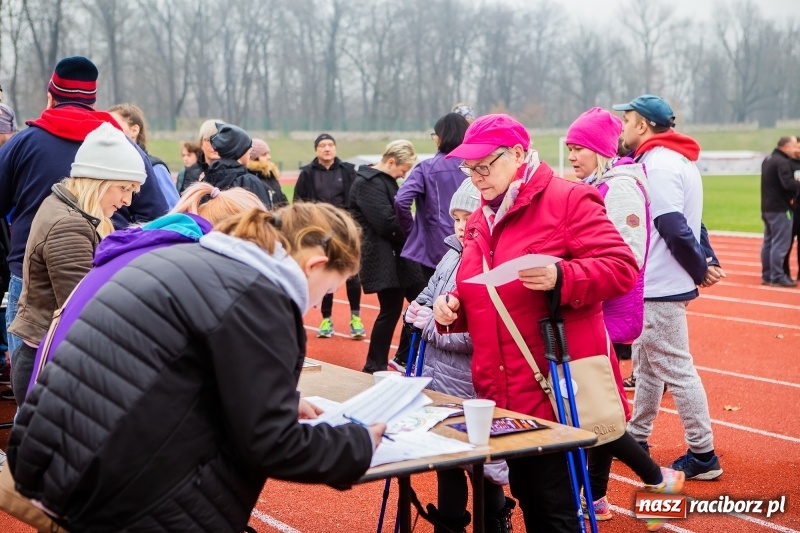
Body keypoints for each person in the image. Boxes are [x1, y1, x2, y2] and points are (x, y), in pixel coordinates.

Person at [7, 203, 384, 532]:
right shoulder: (260, 296)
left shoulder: (181, 257)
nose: (317, 305)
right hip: (118, 494)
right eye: (328, 289)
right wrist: (358, 443)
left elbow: (176, 370)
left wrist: (279, 401)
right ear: (316, 264)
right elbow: (272, 445)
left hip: (52, 460)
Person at [432, 114, 639, 532]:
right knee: (529, 495)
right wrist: (452, 310)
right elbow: (481, 293)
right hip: (500, 389)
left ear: (519, 155)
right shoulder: (479, 218)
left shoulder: (568, 199)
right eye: (469, 169)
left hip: (554, 386)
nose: (476, 178)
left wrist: (564, 276)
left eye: (484, 166)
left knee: (552, 508)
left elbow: (622, 268)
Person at [0, 56, 167, 366]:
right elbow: (157, 217)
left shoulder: (22, 143)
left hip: (30, 279)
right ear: (93, 101)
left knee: (34, 385)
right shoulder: (125, 147)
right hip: (104, 276)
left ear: (51, 97)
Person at [565, 108, 685, 528]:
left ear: (599, 148)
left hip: (609, 308)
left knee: (599, 409)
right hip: (595, 306)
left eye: (578, 147)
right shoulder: (597, 184)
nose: (571, 156)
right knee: (599, 407)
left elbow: (628, 256)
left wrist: (575, 269)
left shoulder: (620, 188)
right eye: (568, 148)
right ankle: (598, 496)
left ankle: (652, 478)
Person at [26, 182, 268, 386]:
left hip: (58, 389)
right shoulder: (187, 260)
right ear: (237, 236)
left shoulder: (150, 243)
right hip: (88, 395)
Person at [612, 94, 724, 480]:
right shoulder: (676, 160)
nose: (622, 128)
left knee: (676, 369)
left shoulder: (658, 164)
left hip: (660, 283)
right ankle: (637, 437)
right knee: (647, 366)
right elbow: (695, 222)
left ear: (642, 125)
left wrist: (698, 268)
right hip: (659, 282)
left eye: (626, 121)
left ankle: (703, 453)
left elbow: (674, 225)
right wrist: (705, 260)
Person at [7, 122, 147, 406]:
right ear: (99, 180)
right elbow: (85, 313)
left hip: (42, 357)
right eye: (124, 187)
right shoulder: (69, 226)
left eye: (133, 190)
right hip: (47, 365)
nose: (127, 200)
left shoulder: (65, 206)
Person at [404, 178, 516, 533]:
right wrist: (418, 312)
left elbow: (484, 331)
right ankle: (448, 526)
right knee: (446, 464)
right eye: (455, 218)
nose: (461, 225)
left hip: (475, 383)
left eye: (469, 216)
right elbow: (425, 297)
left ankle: (496, 524)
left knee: (485, 468)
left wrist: (430, 326)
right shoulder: (452, 252)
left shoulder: (491, 261)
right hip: (439, 381)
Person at [351, 140, 425, 374]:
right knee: (391, 310)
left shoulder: (385, 181)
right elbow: (385, 222)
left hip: (399, 254)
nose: (404, 175)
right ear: (391, 162)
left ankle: (401, 357)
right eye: (403, 170)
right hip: (384, 257)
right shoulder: (367, 183)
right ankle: (375, 364)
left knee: (422, 302)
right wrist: (415, 234)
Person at [294, 133, 365, 339]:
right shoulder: (307, 173)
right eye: (322, 145)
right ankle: (326, 319)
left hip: (344, 229)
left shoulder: (348, 170)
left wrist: (353, 225)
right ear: (316, 150)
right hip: (319, 231)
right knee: (325, 272)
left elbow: (356, 199)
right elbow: (299, 202)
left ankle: (355, 318)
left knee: (352, 275)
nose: (327, 148)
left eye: (330, 145)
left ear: (335, 148)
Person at [395, 113, 470, 281]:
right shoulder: (477, 165)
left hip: (435, 246)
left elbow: (401, 201)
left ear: (441, 137)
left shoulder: (427, 167)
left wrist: (412, 231)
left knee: (434, 300)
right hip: (474, 240)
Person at [108, 103, 180, 208]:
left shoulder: (155, 167)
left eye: (113, 124)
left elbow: (174, 210)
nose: (107, 129)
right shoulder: (107, 166)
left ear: (134, 130)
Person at [760, 135, 800, 287]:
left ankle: (767, 274)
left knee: (769, 242)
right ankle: (777, 276)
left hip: (767, 207)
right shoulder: (782, 162)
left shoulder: (768, 159)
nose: (796, 148)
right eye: (794, 145)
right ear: (786, 147)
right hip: (780, 208)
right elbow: (787, 184)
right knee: (780, 243)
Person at [203, 122, 271, 205]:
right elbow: (261, 215)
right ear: (238, 151)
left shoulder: (206, 179)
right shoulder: (249, 181)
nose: (250, 151)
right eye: (248, 148)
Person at [179, 119, 223, 192]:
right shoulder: (191, 172)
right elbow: (185, 201)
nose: (214, 145)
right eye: (209, 140)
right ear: (201, 143)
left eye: (220, 139)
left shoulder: (236, 172)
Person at [247, 137, 288, 210]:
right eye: (264, 154)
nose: (269, 157)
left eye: (268, 153)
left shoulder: (271, 176)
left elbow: (283, 201)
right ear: (254, 158)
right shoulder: (251, 179)